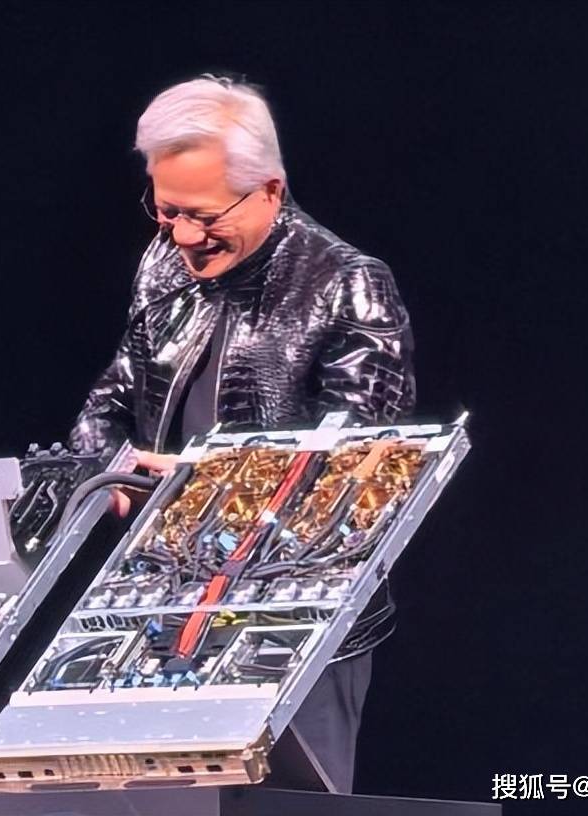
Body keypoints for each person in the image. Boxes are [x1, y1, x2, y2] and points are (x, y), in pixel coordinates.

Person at [68, 75, 416, 794]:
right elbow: (109, 401)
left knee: (285, 804)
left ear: (269, 191)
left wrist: (197, 489)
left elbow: (360, 474)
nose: (184, 238)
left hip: (296, 617)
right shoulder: (162, 264)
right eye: (166, 212)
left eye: (202, 216)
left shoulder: (346, 282)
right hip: (164, 598)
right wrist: (112, 473)